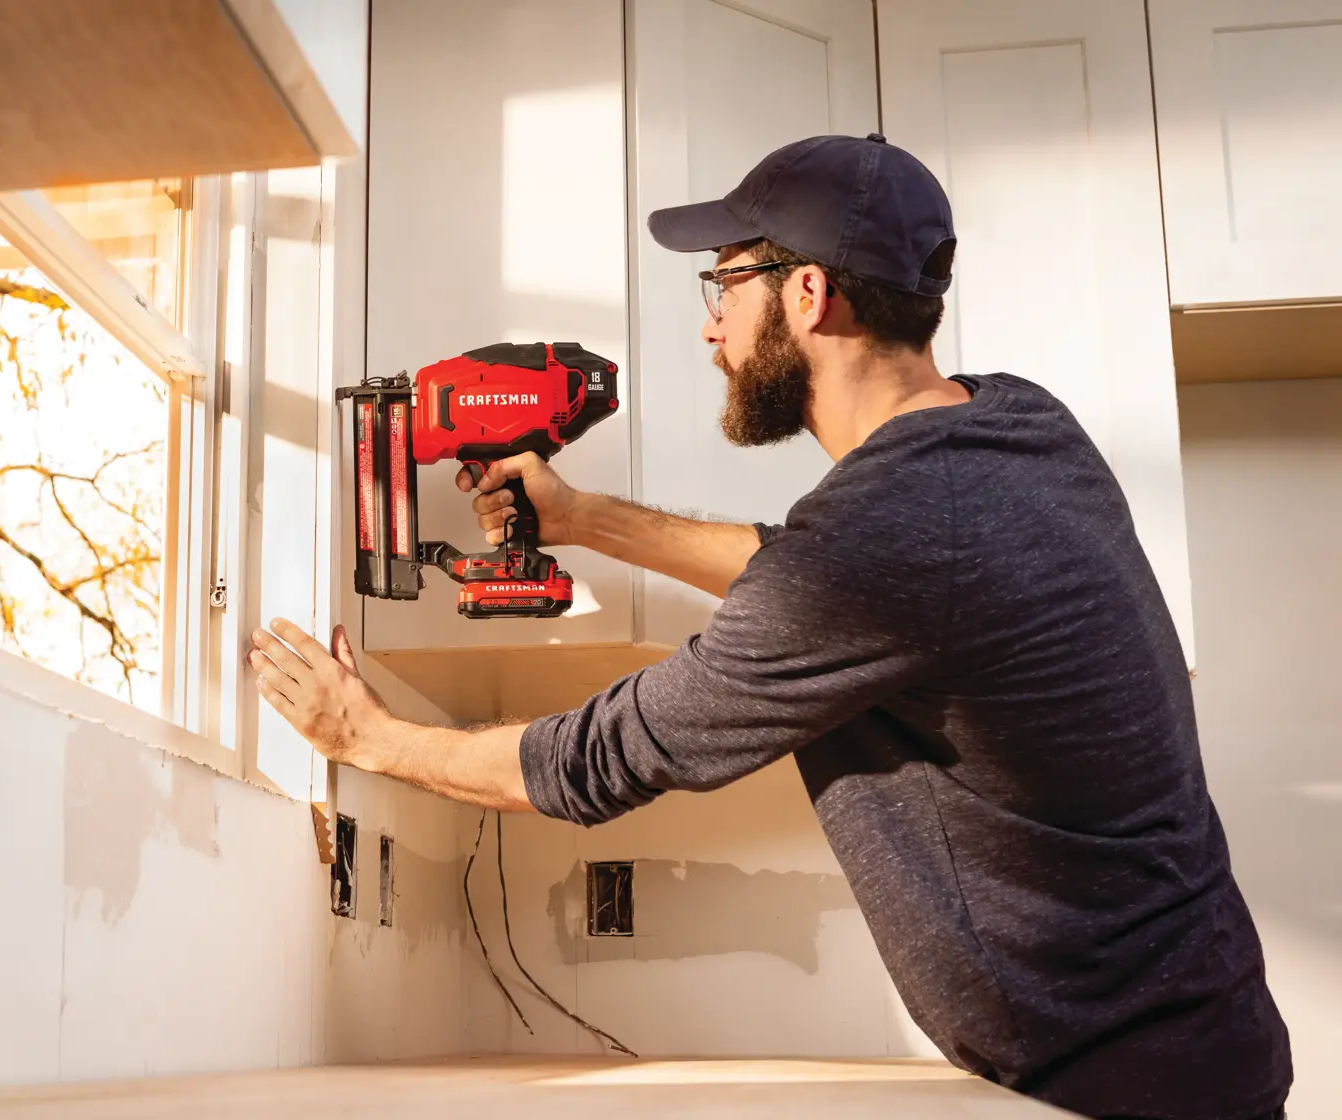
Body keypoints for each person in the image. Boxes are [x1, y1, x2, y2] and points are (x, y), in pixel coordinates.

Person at [247, 134, 1291, 1120]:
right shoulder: (1016, 420)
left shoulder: (879, 538)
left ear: (808, 292)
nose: (710, 325)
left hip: (1115, 1086)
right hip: (1205, 1038)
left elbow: (604, 758)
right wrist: (583, 520)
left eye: (723, 282)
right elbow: (830, 583)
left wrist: (363, 738)